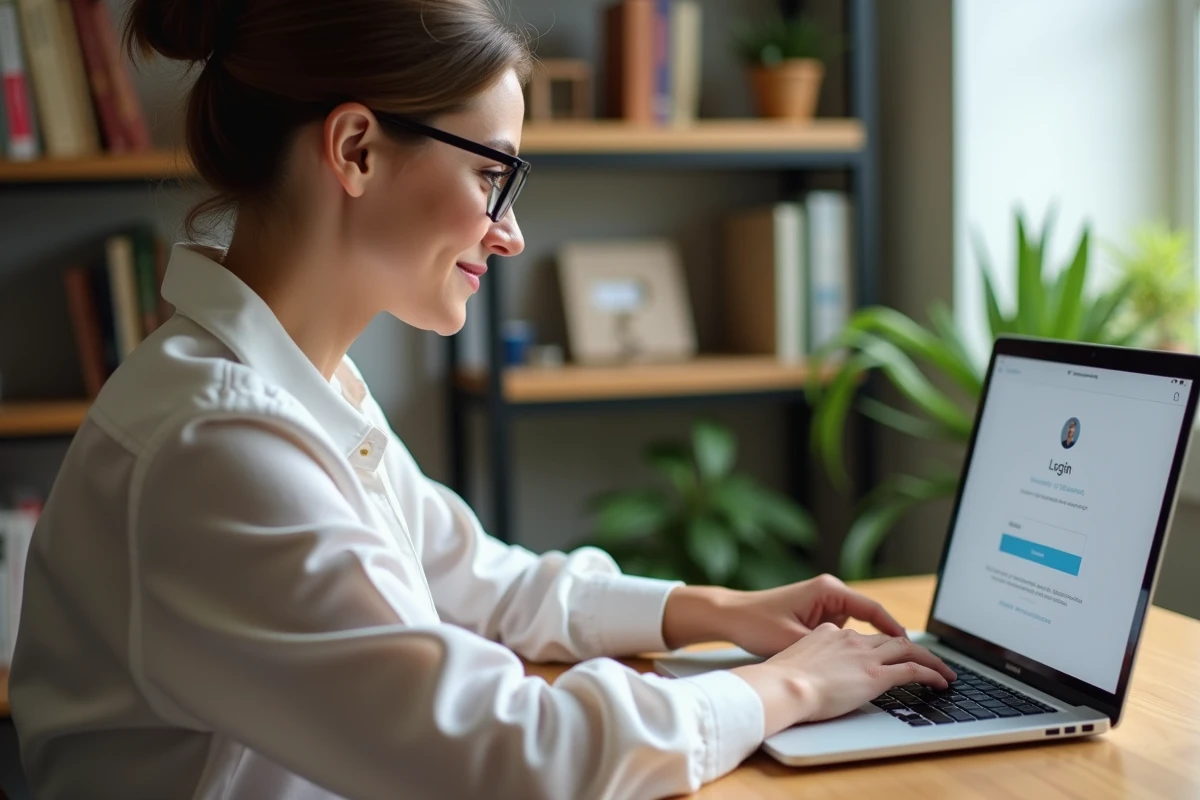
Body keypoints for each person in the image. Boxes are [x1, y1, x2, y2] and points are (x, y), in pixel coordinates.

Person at [8, 1, 955, 798]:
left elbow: (479, 581)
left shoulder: (298, 387)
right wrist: (785, 689)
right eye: (491, 174)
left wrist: (716, 611)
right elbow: (512, 757)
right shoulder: (215, 444)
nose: (511, 234)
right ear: (355, 149)